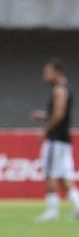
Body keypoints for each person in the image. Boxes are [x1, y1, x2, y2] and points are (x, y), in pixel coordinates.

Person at [31, 58, 79, 222]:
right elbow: (59, 115)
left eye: (48, 72)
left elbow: (59, 115)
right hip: (63, 140)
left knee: (50, 172)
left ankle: (52, 211)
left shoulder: (59, 90)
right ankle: (77, 206)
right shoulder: (64, 89)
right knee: (64, 176)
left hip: (56, 139)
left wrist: (46, 131)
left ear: (57, 72)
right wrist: (44, 116)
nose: (45, 76)